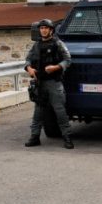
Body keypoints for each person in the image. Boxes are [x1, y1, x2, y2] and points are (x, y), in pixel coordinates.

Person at [24, 19, 74, 149]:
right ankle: (35, 137)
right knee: (38, 113)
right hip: (40, 83)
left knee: (60, 112)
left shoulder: (58, 44)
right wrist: (29, 68)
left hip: (54, 83)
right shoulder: (37, 45)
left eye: (46, 28)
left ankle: (67, 138)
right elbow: (28, 59)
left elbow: (68, 60)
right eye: (41, 28)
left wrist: (56, 67)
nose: (43, 30)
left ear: (51, 30)